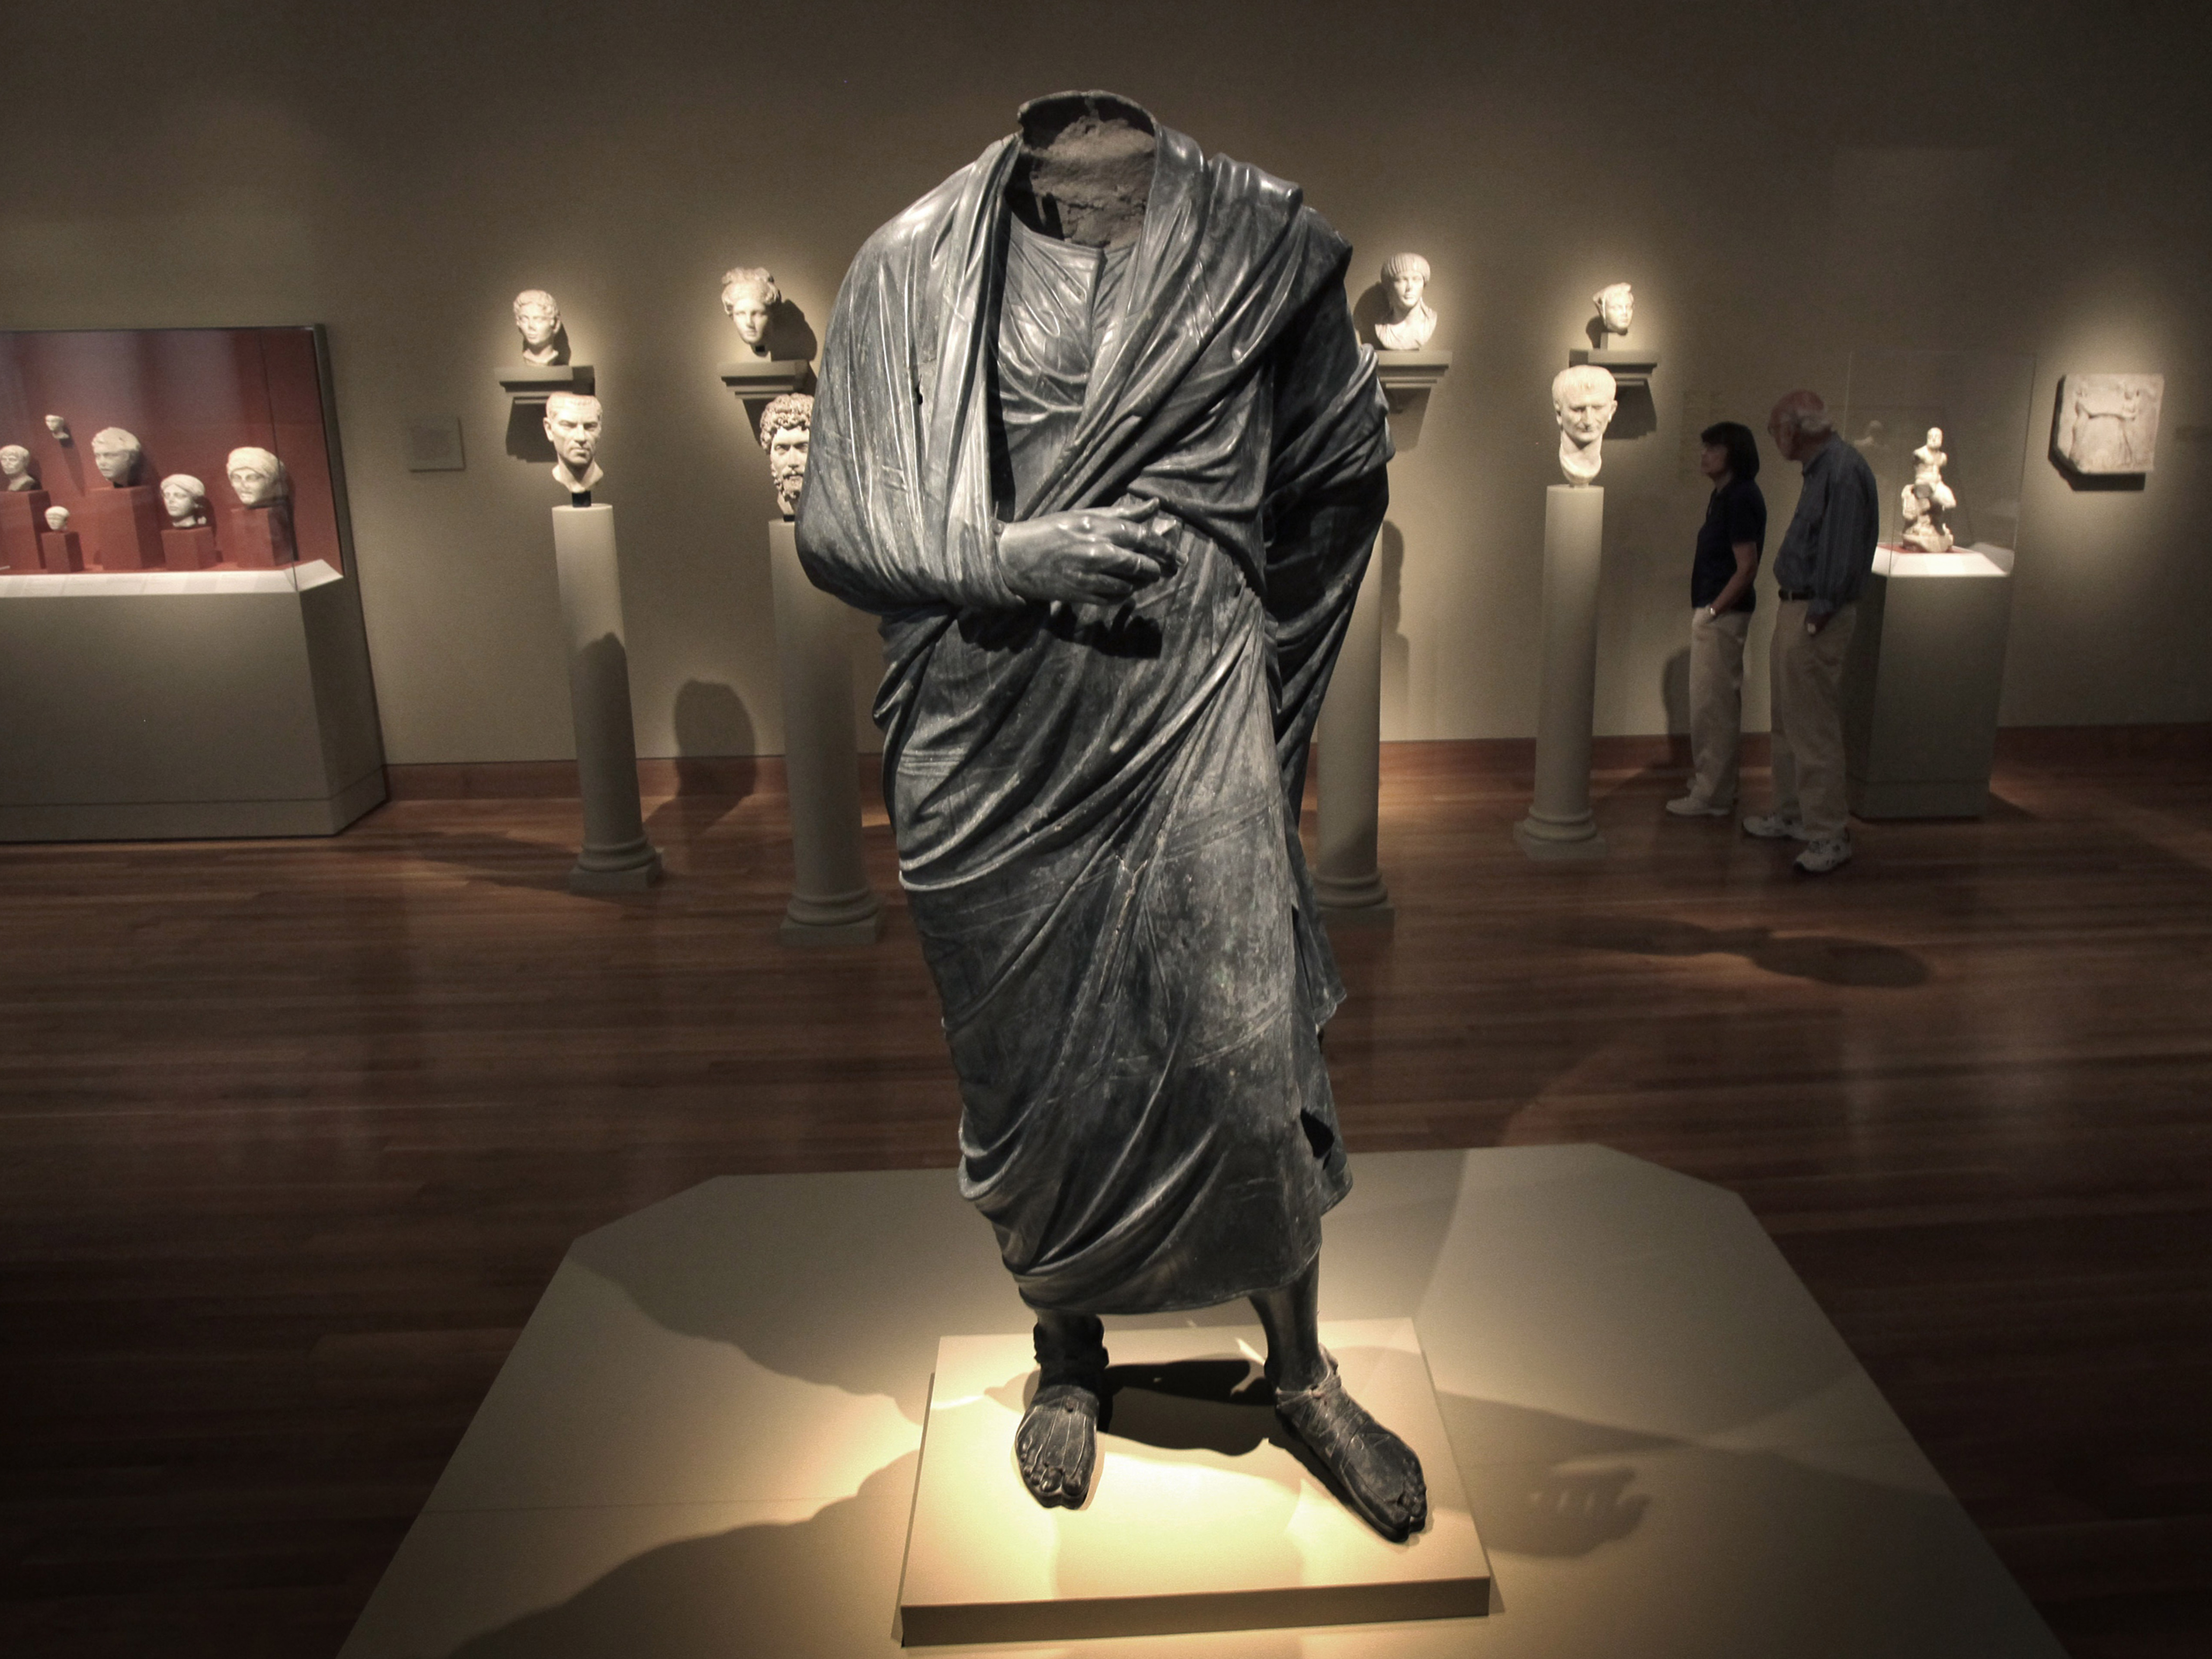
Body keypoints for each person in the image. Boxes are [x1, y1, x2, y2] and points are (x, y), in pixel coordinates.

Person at [798, 90, 1426, 1541]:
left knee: (1243, 1050)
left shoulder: (1263, 245)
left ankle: (1302, 1372)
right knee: (1029, 1073)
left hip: (1186, 708)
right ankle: (1067, 1354)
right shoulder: (907, 263)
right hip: (990, 736)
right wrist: (1006, 554)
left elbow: (1337, 477)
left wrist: (1253, 680)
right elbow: (836, 519)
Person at [1744, 391, 1879, 874]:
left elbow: (1840, 556)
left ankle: (1828, 833)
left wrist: (1818, 615)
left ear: (1796, 430)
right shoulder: (1823, 470)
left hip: (1814, 614)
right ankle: (1793, 813)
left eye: (1775, 428)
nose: (1775, 438)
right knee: (1787, 722)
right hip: (1798, 609)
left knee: (1813, 728)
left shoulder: (1841, 472)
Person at [1667, 421, 1765, 818]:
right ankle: (1714, 781)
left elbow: (1747, 568)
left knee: (1715, 705)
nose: (1704, 454)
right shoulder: (1724, 496)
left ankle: (1713, 795)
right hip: (1718, 611)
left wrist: (1712, 612)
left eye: (1713, 448)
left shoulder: (1740, 497)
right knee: (1711, 703)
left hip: (1722, 613)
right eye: (1704, 446)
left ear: (1733, 453)